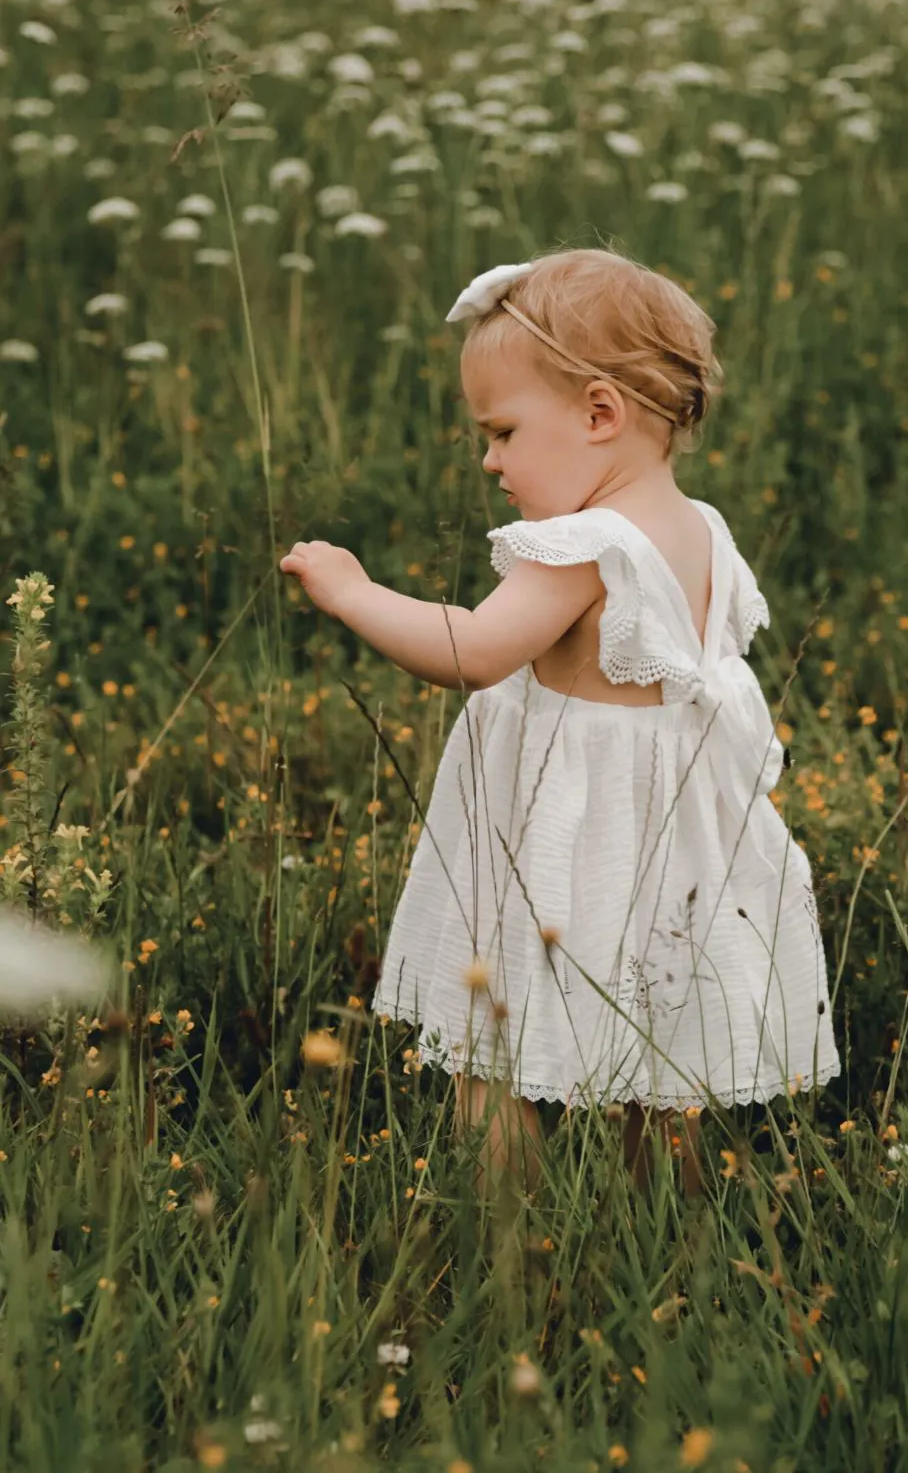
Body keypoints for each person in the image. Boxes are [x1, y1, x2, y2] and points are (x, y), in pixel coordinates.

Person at [279, 246, 841, 1201]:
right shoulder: (697, 525)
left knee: (489, 1051)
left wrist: (353, 591)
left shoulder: (586, 544)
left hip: (563, 838)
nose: (489, 460)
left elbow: (471, 651)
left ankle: (510, 1242)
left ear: (598, 414)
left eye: (499, 431)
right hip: (669, 847)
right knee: (658, 1059)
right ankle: (670, 1242)